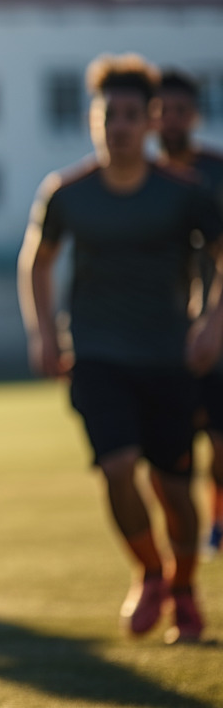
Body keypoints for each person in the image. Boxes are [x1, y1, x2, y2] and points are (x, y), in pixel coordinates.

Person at [18, 53, 223, 645]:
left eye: (133, 115)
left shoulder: (182, 194)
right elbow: (38, 258)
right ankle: (150, 573)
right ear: (94, 120)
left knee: (177, 491)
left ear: (152, 122)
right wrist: (40, 331)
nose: (120, 125)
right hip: (97, 356)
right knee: (116, 469)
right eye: (110, 115)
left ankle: (184, 589)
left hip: (169, 359)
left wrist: (211, 322)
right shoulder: (67, 193)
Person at [154, 67, 223, 557]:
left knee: (219, 439)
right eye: (163, 111)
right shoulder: (143, 179)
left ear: (194, 115)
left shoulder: (216, 173)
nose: (170, 119)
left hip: (216, 327)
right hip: (165, 331)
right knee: (173, 446)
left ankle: (216, 523)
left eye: (180, 110)